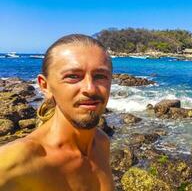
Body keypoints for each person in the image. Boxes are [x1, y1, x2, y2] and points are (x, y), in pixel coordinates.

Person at [0, 34, 114, 191]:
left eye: (100, 76)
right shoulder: (14, 163)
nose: (90, 88)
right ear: (45, 86)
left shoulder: (102, 143)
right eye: (73, 76)